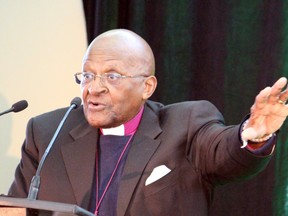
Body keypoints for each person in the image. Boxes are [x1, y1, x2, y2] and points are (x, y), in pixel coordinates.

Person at [7, 29, 288, 216]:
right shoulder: (47, 132)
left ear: (147, 87)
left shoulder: (186, 125)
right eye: (88, 75)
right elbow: (15, 208)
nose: (94, 88)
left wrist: (251, 135)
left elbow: (222, 150)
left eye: (112, 76)